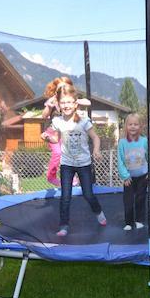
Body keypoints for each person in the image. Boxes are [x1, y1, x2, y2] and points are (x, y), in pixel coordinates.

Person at [51, 85, 105, 237]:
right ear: (59, 104)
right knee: (65, 196)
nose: (66, 105)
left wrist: (96, 150)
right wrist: (48, 137)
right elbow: (56, 138)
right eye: (63, 102)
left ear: (75, 104)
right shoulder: (57, 121)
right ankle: (63, 225)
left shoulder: (83, 120)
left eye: (69, 102)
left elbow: (95, 137)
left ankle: (98, 211)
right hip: (67, 163)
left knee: (88, 194)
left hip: (84, 163)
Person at [40, 76, 89, 187]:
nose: (62, 90)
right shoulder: (53, 100)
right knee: (58, 152)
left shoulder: (70, 99)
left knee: (69, 153)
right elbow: (44, 115)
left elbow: (88, 102)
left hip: (65, 133)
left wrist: (76, 100)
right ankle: (51, 176)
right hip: (52, 132)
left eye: (65, 87)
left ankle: (71, 177)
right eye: (60, 88)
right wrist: (49, 105)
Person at [117, 112, 148, 231]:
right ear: (126, 126)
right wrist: (125, 176)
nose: (133, 127)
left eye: (136, 124)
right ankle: (128, 222)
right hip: (129, 178)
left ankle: (139, 220)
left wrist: (149, 172)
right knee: (128, 201)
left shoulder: (144, 141)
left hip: (142, 176)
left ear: (140, 126)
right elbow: (120, 160)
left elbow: (149, 157)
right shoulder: (122, 143)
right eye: (130, 124)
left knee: (140, 199)